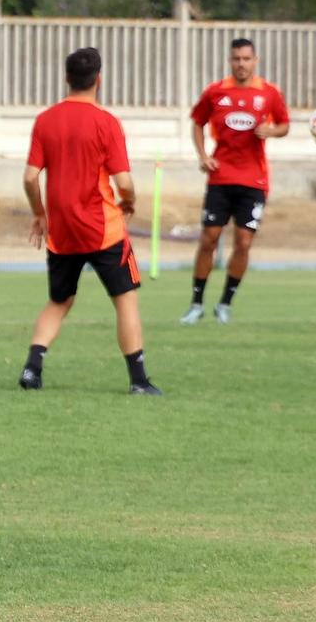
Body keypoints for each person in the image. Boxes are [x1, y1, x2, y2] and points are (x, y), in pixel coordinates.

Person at [18, 47, 161, 396]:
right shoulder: (106, 122)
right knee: (125, 299)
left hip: (62, 230)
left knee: (60, 301)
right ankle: (139, 381)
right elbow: (124, 182)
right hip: (102, 228)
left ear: (66, 78)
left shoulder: (46, 120)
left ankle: (32, 369)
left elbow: (29, 177)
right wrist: (129, 202)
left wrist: (40, 213)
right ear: (99, 79)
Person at [181, 38, 290, 324]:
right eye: (236, 59)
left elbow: (284, 124)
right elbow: (197, 122)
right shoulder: (216, 91)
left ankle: (225, 303)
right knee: (209, 239)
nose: (241, 64)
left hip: (254, 180)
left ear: (255, 61)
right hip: (221, 176)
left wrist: (271, 131)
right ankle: (196, 304)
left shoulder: (268, 93)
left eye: (246, 58)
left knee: (243, 243)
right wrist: (203, 155)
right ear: (230, 62)